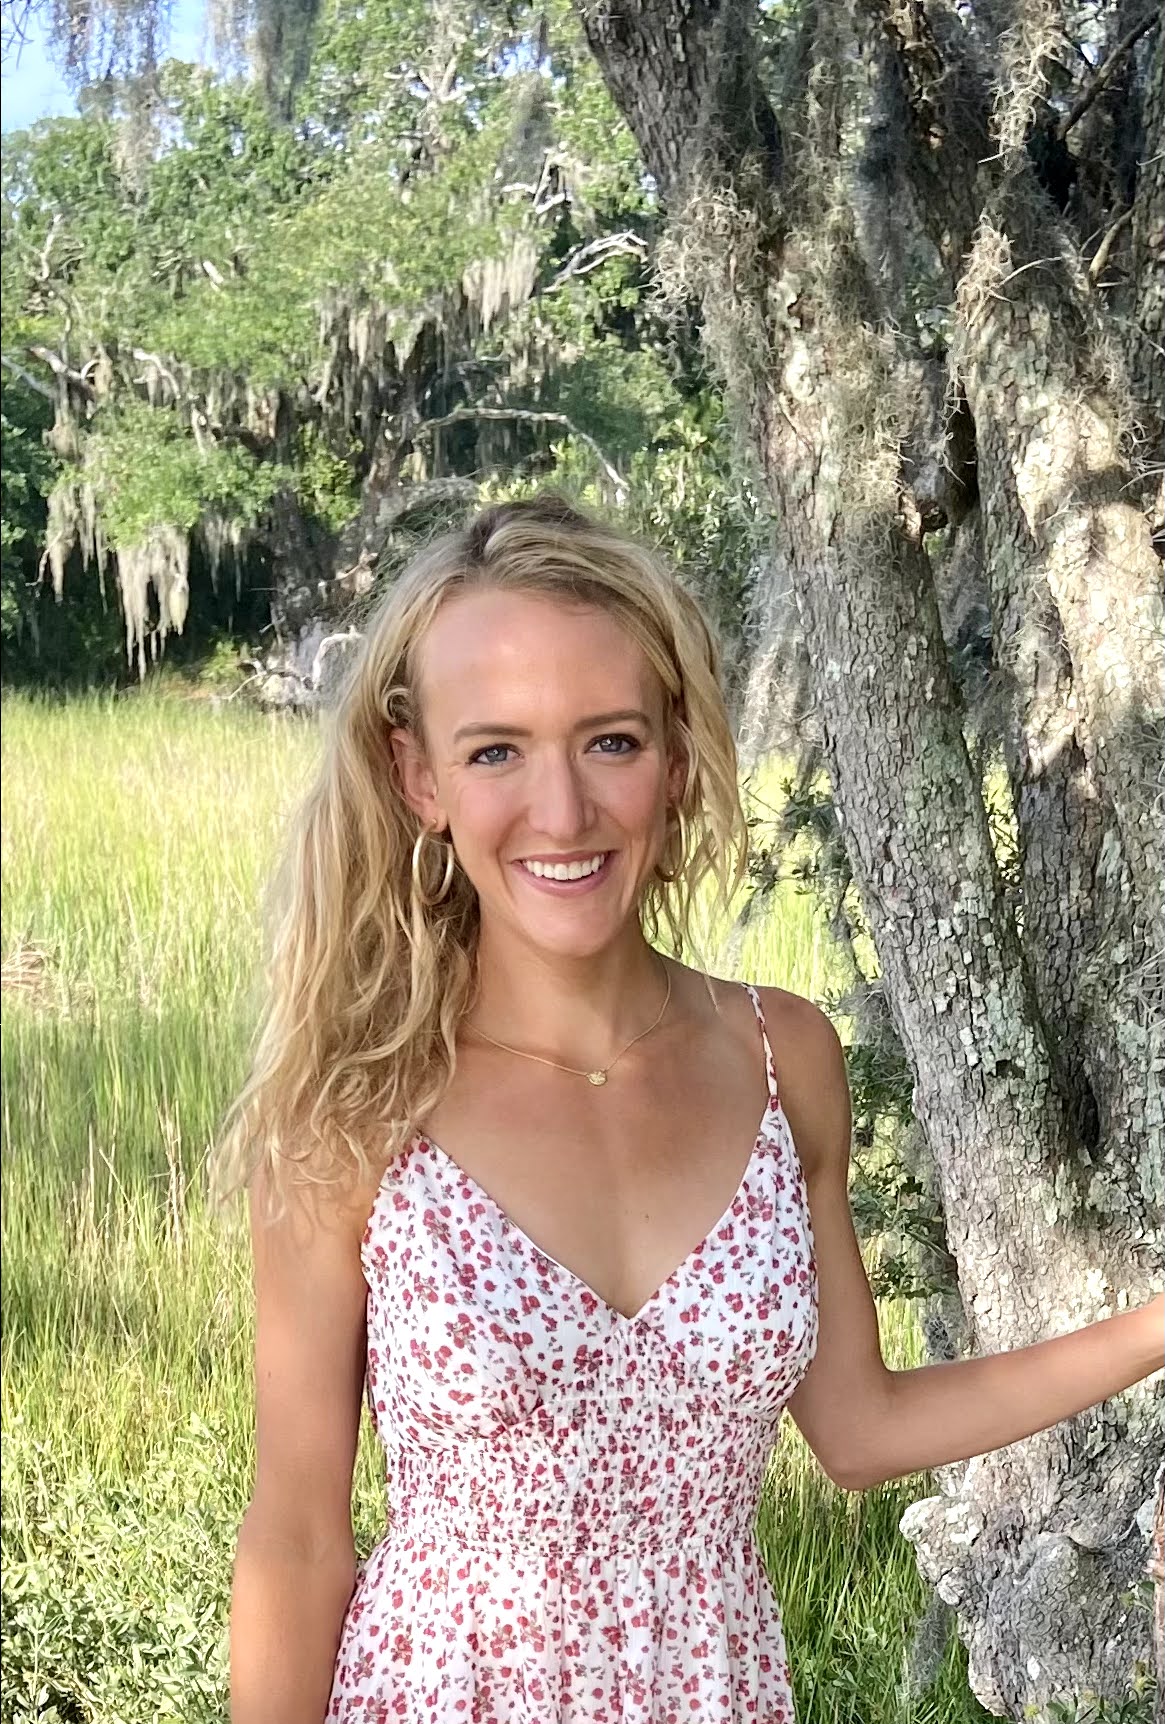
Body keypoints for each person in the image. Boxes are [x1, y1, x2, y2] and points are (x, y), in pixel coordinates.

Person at [217, 492, 1163, 1724]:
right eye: (495, 750)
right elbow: (296, 1535)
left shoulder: (781, 1058)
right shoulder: (356, 1109)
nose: (562, 811)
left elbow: (858, 1427)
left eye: (609, 740)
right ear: (418, 774)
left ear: (674, 754)